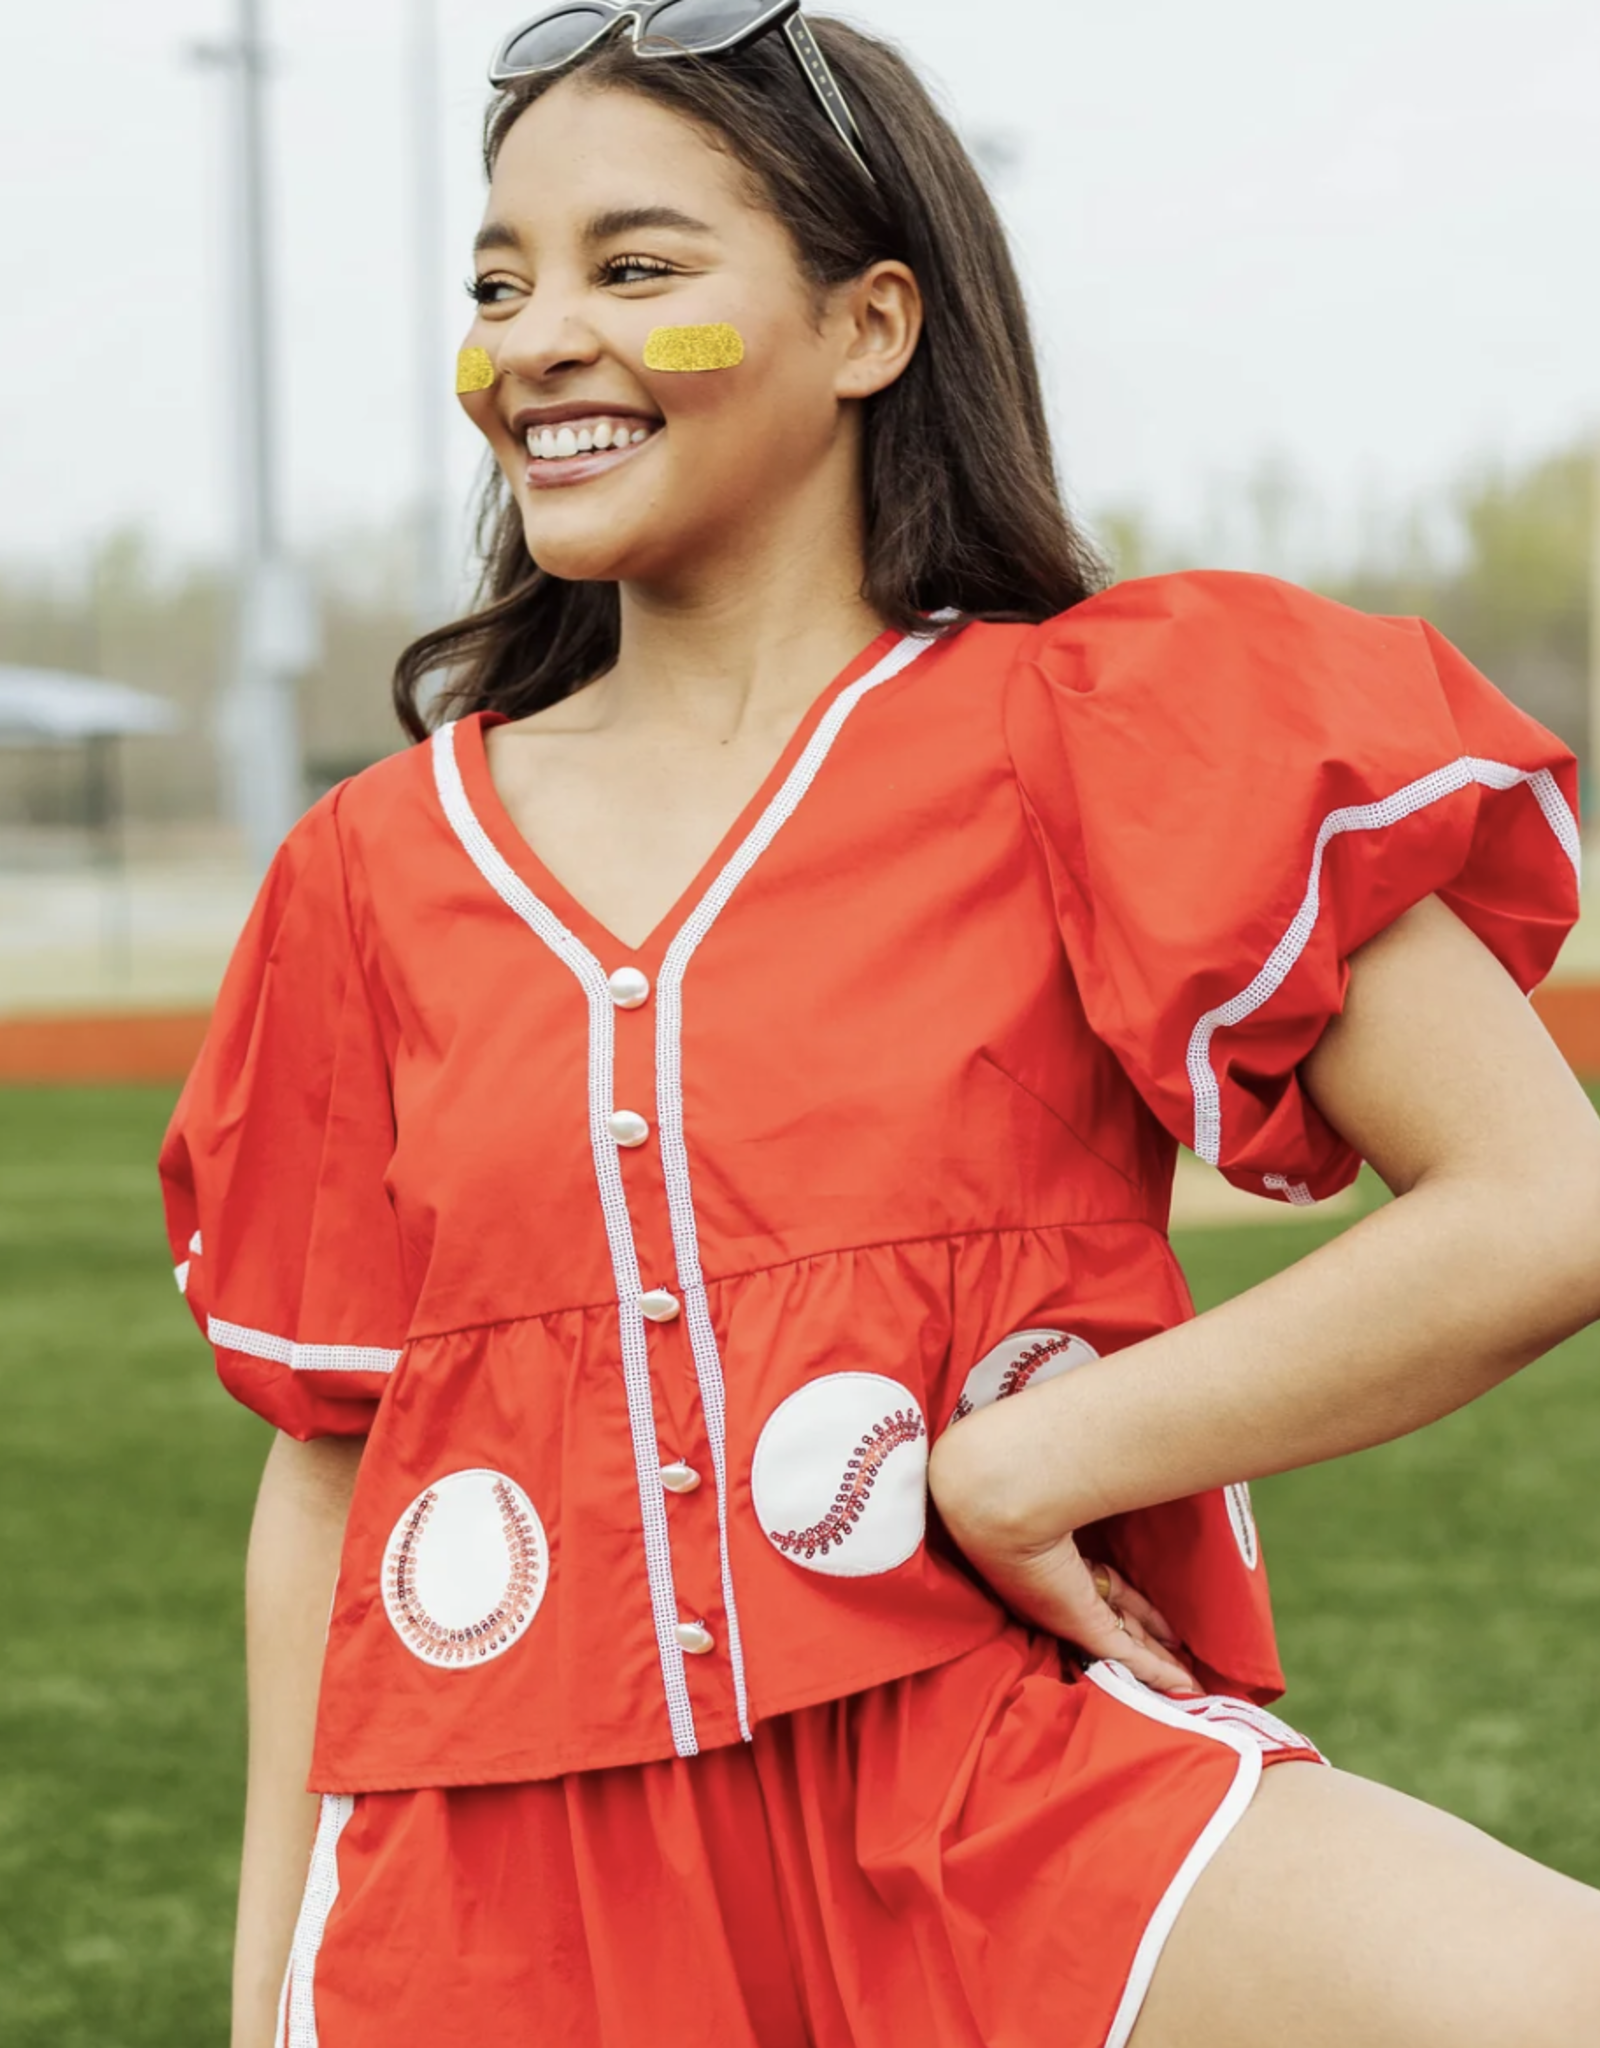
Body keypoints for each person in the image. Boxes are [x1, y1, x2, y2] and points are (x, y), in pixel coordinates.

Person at [160, 7, 1600, 2045]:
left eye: (631, 266)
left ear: (868, 323)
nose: (534, 338)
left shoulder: (1100, 733)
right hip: (509, 1897)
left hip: (989, 1781)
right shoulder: (368, 869)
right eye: (497, 283)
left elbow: (1542, 1201)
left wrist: (1037, 1460)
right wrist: (268, 1982)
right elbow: (332, 1472)